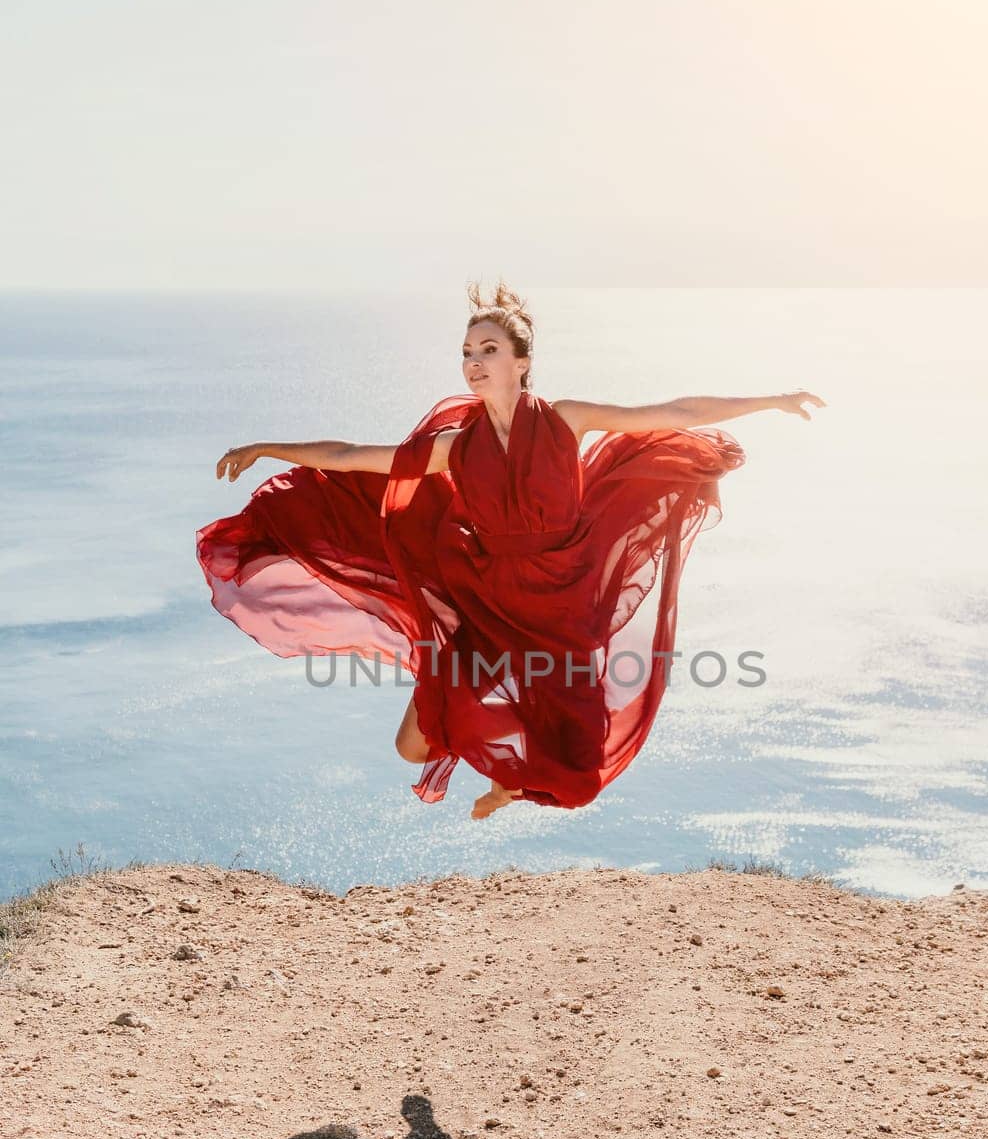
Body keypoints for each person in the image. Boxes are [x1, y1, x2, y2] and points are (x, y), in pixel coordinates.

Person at [197, 280, 826, 819]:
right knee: (412, 748)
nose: (474, 362)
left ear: (522, 362)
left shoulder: (564, 420)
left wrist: (771, 400)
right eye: (468, 352)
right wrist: (266, 448)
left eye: (489, 350)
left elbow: (674, 409)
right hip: (488, 601)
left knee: (579, 778)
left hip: (562, 602)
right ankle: (488, 755)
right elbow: (349, 457)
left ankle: (511, 786)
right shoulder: (455, 445)